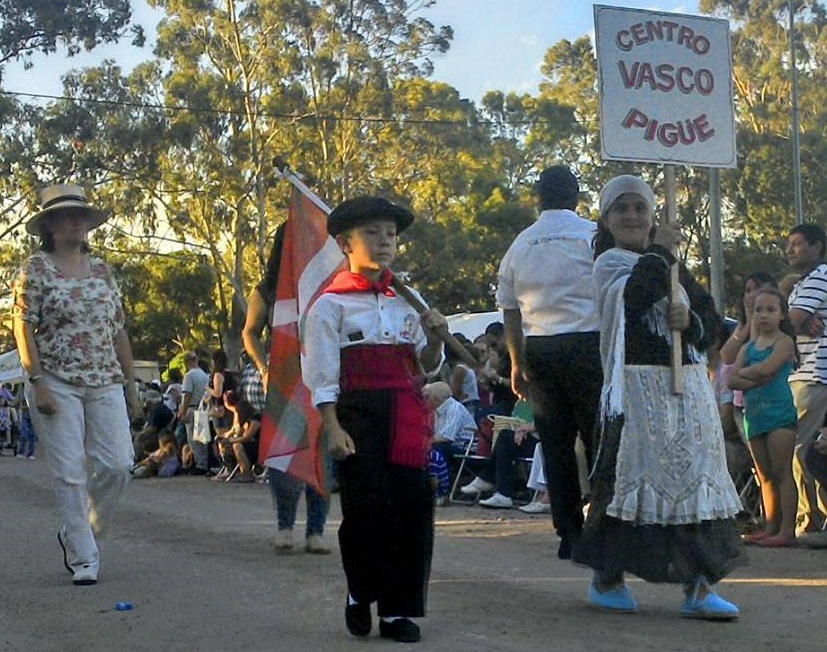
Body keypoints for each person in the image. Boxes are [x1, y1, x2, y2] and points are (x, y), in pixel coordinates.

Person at [573, 175, 744, 620]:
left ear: (652, 216)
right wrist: (663, 250)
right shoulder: (610, 264)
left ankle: (699, 586)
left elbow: (709, 318)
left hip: (687, 395)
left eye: (640, 208)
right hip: (634, 396)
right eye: (621, 208)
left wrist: (689, 320)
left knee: (694, 485)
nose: (632, 215)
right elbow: (635, 298)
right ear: (607, 220)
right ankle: (607, 578)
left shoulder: (672, 265)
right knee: (627, 485)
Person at [303, 196, 446, 643]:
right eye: (373, 233)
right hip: (356, 415)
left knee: (412, 507)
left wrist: (437, 339)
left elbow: (425, 365)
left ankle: (397, 611)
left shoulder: (409, 299)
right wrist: (333, 427)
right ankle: (360, 593)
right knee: (367, 512)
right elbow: (323, 374)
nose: (385, 241)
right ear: (346, 243)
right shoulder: (330, 305)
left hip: (406, 416)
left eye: (391, 234)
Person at [12, 184, 140, 586]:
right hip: (54, 379)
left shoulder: (103, 270)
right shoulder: (34, 269)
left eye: (81, 215)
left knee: (119, 464)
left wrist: (132, 388)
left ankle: (81, 530)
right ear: (49, 224)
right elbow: (22, 325)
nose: (76, 221)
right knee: (69, 472)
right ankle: (85, 558)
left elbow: (118, 330)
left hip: (105, 380)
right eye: (67, 215)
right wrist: (37, 381)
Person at [495, 165, 603, 559]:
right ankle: (604, 525)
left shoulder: (520, 244)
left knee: (555, 446)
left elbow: (509, 310)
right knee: (598, 440)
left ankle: (568, 531)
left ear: (538, 197)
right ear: (575, 196)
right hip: (589, 346)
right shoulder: (593, 234)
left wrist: (515, 361)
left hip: (540, 349)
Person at [241, 226, 331, 555]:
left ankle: (316, 531)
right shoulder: (265, 291)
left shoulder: (326, 285)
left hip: (321, 381)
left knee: (321, 456)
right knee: (283, 458)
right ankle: (284, 526)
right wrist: (264, 368)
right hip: (283, 384)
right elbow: (249, 333)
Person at [728, 288, 798, 547]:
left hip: (779, 415)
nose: (764, 315)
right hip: (754, 417)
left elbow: (770, 369)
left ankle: (787, 529)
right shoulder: (747, 347)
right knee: (764, 474)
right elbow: (732, 380)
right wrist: (755, 375)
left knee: (782, 471)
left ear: (782, 314)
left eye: (771, 310)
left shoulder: (784, 342)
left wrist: (749, 374)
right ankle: (770, 525)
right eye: (759, 310)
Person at [784, 223, 827, 536]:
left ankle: (809, 520)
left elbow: (784, 323)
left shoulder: (820, 277)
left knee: (799, 448)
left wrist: (795, 321)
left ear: (817, 246)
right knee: (812, 449)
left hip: (814, 374)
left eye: (797, 244)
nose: (790, 249)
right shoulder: (805, 283)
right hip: (808, 373)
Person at [460, 399, 536, 508]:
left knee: (505, 436)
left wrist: (527, 428)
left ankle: (488, 479)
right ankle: (502, 494)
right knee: (505, 447)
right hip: (533, 440)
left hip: (547, 445)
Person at [422, 381, 477, 465]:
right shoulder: (438, 410)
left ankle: (440, 477)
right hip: (455, 447)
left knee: (437, 448)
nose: (424, 400)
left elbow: (446, 437)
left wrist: (424, 442)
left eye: (427, 397)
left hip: (467, 451)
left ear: (436, 399)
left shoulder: (455, 409)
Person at [213, 390, 261, 483]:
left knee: (237, 445)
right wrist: (225, 437)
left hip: (257, 446)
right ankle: (229, 468)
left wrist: (231, 440)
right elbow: (235, 430)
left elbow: (247, 437)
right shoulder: (240, 417)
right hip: (248, 444)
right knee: (223, 442)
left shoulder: (255, 419)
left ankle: (246, 473)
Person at [177, 351, 210, 475]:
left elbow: (187, 394)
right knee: (201, 438)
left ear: (186, 362)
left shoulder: (189, 376)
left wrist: (182, 411)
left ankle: (199, 464)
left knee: (193, 439)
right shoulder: (204, 375)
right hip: (202, 408)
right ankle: (202, 463)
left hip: (192, 408)